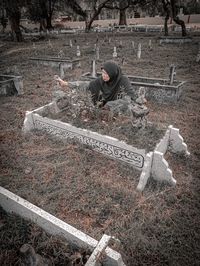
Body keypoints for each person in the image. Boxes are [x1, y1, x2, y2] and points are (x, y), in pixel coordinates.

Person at [56, 61, 134, 108]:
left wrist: (111, 105)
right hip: (102, 111)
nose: (103, 75)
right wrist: (66, 84)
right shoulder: (101, 80)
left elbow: (129, 98)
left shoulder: (123, 80)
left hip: (119, 112)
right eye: (103, 72)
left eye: (107, 73)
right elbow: (86, 85)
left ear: (113, 73)